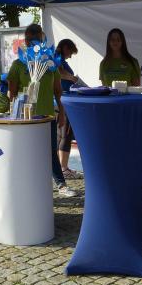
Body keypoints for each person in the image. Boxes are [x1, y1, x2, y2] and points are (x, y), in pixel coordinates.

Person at [7, 24, 77, 198]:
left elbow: (58, 91)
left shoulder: (50, 63)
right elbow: (11, 93)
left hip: (46, 115)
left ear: (42, 40)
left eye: (36, 38)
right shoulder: (18, 64)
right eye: (29, 39)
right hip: (25, 118)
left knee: (50, 151)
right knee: (26, 152)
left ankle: (61, 185)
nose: (33, 41)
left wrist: (61, 113)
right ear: (25, 41)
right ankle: (26, 187)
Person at [56, 39, 82, 180]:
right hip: (63, 100)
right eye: (70, 52)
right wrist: (72, 78)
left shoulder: (60, 59)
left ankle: (62, 167)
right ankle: (63, 168)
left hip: (63, 99)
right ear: (65, 48)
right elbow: (58, 73)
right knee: (66, 133)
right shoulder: (57, 59)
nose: (70, 56)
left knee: (63, 134)